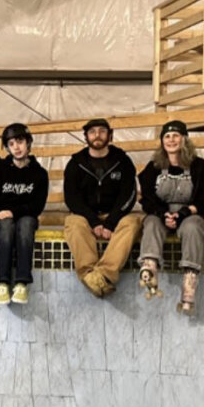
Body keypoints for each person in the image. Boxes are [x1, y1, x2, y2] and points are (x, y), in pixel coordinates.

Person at [137, 120, 204, 314]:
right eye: (167, 136)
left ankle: (189, 279)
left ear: (184, 140)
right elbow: (146, 197)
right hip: (163, 213)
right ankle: (149, 267)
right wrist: (162, 213)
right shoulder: (154, 167)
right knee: (151, 223)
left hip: (191, 213)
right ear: (162, 141)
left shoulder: (200, 166)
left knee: (192, 228)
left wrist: (185, 212)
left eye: (176, 136)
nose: (171, 140)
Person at [63, 118, 140, 297]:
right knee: (73, 222)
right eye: (92, 132)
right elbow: (71, 198)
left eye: (102, 131)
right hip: (86, 216)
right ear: (86, 137)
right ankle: (89, 273)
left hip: (115, 216)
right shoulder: (76, 163)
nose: (97, 135)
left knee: (133, 222)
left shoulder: (123, 161)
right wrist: (94, 221)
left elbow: (129, 195)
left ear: (110, 135)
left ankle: (103, 274)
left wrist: (111, 223)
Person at [0, 123, 49, 305]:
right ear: (7, 147)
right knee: (6, 226)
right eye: (11, 143)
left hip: (25, 215)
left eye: (20, 141)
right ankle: (2, 283)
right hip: (1, 218)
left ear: (28, 143)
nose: (16, 147)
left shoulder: (39, 174)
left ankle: (22, 282)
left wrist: (12, 212)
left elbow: (37, 206)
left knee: (27, 224)